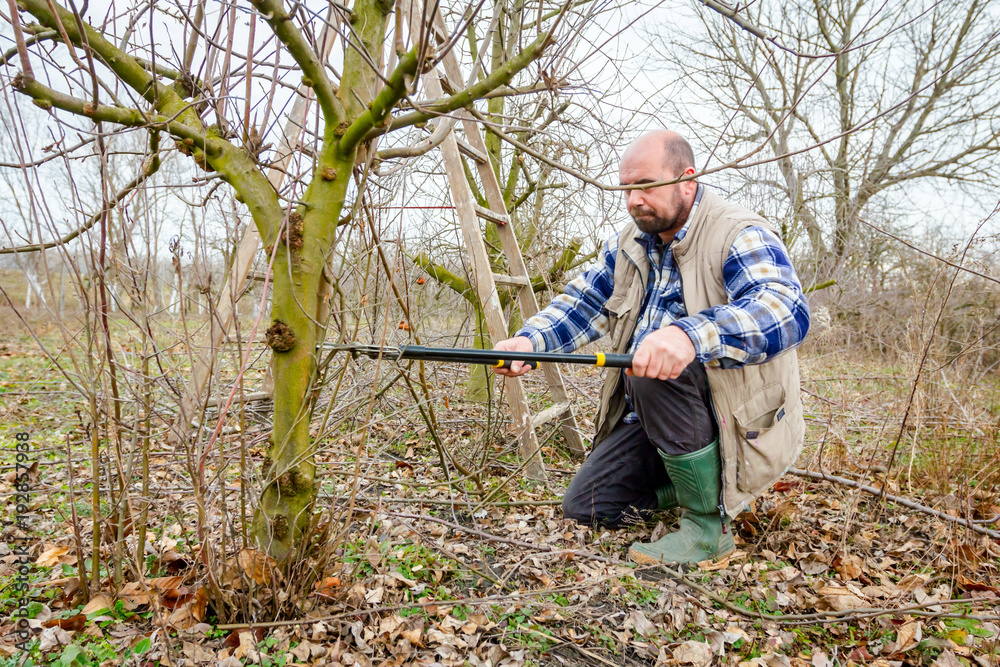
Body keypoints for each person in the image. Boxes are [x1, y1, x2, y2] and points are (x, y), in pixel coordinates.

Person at [494, 130, 810, 565]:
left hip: (735, 421)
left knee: (653, 371)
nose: (632, 200)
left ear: (687, 179)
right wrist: (531, 341)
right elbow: (585, 303)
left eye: (645, 185)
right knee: (586, 507)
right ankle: (699, 488)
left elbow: (786, 310)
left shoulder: (738, 232)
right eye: (626, 188)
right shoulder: (631, 242)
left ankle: (706, 529)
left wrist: (688, 335)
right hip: (657, 418)